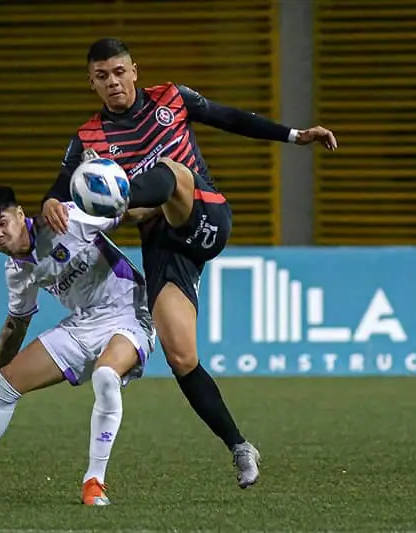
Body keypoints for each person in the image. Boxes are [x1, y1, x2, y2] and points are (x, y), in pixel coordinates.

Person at [41, 38, 338, 489]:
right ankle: (240, 445)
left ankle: (119, 202)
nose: (113, 82)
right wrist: (50, 203)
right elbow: (60, 189)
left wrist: (295, 135)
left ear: (134, 71)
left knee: (176, 174)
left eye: (119, 72)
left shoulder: (171, 99)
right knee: (181, 355)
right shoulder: (88, 138)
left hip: (204, 213)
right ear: (92, 83)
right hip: (164, 245)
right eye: (102, 76)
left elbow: (232, 118)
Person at [0, 185, 155, 506]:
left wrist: (172, 204)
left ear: (20, 214)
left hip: (130, 312)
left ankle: (94, 481)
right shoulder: (16, 271)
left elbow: (128, 214)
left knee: (106, 376)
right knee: (3, 386)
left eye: (1, 223)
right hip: (84, 324)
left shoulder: (63, 220)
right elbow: (16, 324)